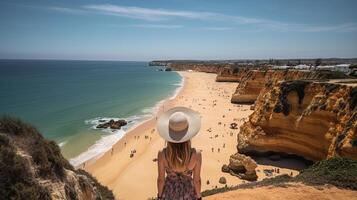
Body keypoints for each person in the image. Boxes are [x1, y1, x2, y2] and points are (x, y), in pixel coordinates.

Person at [156, 107, 202, 200]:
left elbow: (161, 180)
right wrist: (199, 196)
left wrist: (159, 196)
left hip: (169, 193)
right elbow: (197, 180)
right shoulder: (196, 154)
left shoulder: (162, 154)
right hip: (188, 193)